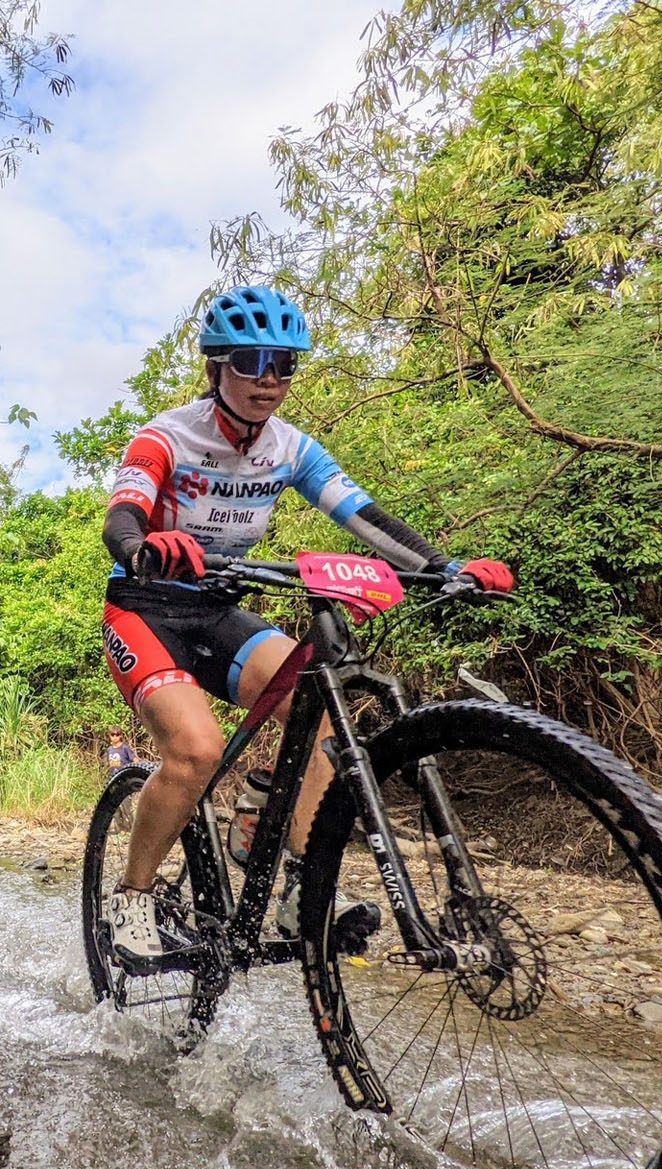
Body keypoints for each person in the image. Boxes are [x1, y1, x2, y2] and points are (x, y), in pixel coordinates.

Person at [98, 284, 515, 966]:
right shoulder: (166, 435)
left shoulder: (291, 448)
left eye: (284, 365)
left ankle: (298, 883)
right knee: (197, 750)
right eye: (251, 360)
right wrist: (143, 547)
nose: (268, 379)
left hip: (217, 609)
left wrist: (445, 566)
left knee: (318, 702)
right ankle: (132, 897)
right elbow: (123, 513)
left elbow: (363, 516)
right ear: (216, 366)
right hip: (145, 610)